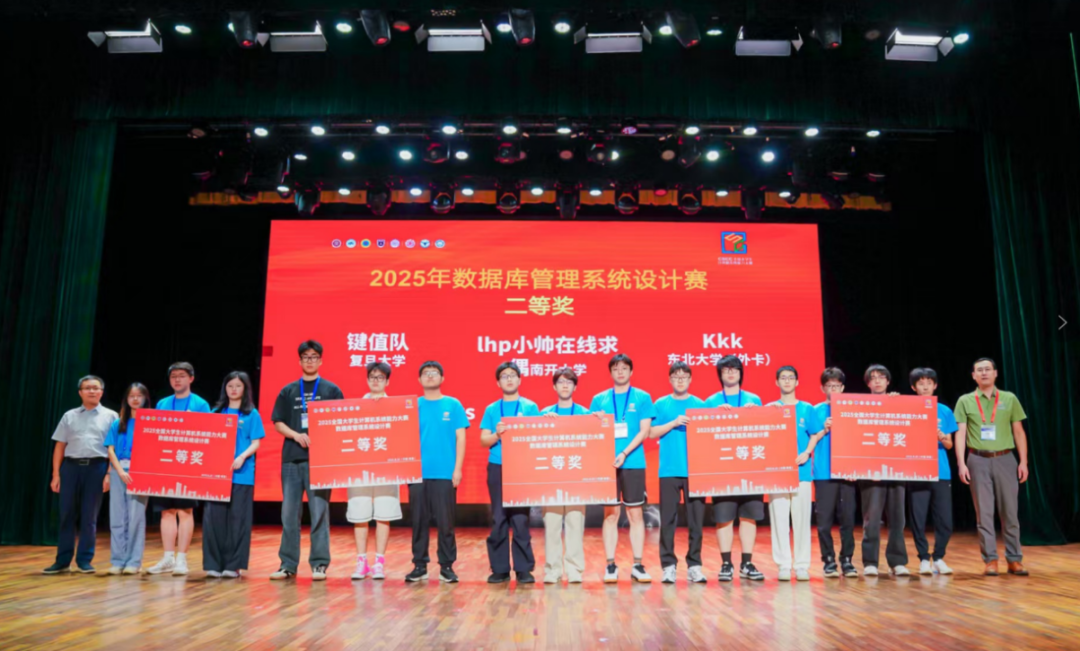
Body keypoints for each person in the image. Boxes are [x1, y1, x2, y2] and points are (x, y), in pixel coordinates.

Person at [270, 340, 344, 581]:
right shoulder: (288, 390)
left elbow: (340, 422)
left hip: (320, 462)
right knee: (289, 514)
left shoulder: (332, 390)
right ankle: (287, 565)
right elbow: (278, 422)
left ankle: (319, 564)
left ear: (320, 360)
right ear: (300, 361)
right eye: (306, 357)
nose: (310, 360)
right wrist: (296, 435)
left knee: (319, 513)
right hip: (291, 460)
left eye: (314, 357)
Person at [954, 358, 1029, 577]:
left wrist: (1023, 461)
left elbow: (1018, 431)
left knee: (1010, 512)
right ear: (973, 376)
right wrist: (961, 463)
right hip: (977, 459)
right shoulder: (965, 400)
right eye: (979, 370)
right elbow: (960, 433)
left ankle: (1014, 559)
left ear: (995, 373)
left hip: (1005, 458)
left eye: (988, 369)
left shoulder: (1009, 398)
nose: (984, 373)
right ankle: (990, 560)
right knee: (984, 513)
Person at [589, 354, 655, 584]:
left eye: (624, 368)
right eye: (616, 368)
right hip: (607, 464)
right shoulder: (599, 399)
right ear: (610, 372)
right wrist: (595, 420)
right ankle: (610, 565)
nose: (620, 372)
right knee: (611, 515)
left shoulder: (642, 397)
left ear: (631, 371)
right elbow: (592, 432)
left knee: (636, 515)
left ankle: (637, 565)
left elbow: (644, 431)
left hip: (633, 462)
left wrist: (625, 453)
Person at [43, 376, 118, 575]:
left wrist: (109, 473)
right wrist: (56, 474)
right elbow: (60, 446)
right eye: (87, 388)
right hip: (71, 467)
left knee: (89, 516)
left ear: (102, 391)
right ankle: (62, 561)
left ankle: (84, 560)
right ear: (80, 392)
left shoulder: (111, 416)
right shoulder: (69, 416)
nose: (92, 391)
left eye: (95, 388)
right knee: (66, 514)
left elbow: (115, 448)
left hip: (97, 467)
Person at [405, 361, 469, 584]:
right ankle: (419, 565)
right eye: (426, 373)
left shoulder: (453, 404)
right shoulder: (412, 406)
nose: (430, 376)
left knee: (446, 523)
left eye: (434, 373)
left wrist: (457, 469)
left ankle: (446, 566)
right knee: (418, 522)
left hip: (445, 474)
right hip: (417, 473)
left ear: (442, 378)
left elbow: (461, 438)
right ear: (419, 379)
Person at [146, 362, 212, 576]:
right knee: (166, 512)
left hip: (188, 465)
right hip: (165, 463)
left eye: (181, 375)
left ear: (191, 378)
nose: (177, 379)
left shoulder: (200, 404)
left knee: (185, 511)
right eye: (173, 376)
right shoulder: (163, 403)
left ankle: (182, 559)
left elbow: (208, 434)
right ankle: (167, 558)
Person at [480, 361, 541, 584]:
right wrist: (496, 434)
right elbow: (483, 440)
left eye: (513, 375)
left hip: (521, 467)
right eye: (504, 376)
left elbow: (538, 435)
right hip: (498, 466)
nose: (509, 379)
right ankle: (500, 569)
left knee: (520, 519)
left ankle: (524, 569)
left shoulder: (530, 407)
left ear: (520, 380)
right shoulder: (491, 409)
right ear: (498, 382)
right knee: (498, 518)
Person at [705, 355, 765, 582]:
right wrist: (714, 416)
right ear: (720, 374)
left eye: (735, 369)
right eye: (726, 370)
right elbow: (703, 435)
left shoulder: (754, 399)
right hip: (722, 469)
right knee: (724, 517)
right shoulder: (710, 402)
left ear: (741, 373)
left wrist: (756, 414)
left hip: (750, 468)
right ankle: (726, 564)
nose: (731, 373)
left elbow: (765, 432)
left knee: (749, 517)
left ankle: (747, 563)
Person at [650, 361, 707, 585]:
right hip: (669, 471)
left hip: (696, 471)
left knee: (696, 522)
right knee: (668, 521)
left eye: (684, 376)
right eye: (676, 376)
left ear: (690, 379)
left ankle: (695, 565)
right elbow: (651, 432)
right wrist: (673, 423)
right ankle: (668, 566)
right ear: (670, 379)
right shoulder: (661, 404)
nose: (680, 380)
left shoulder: (700, 405)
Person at [203, 371, 264, 578]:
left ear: (245, 389)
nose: (234, 390)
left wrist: (242, 457)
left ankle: (233, 565)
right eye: (230, 386)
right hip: (217, 476)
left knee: (238, 520)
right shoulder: (216, 412)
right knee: (214, 520)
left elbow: (256, 443)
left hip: (242, 475)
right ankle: (214, 564)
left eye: (238, 386)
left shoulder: (251, 414)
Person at [767, 366, 821, 582]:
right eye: (783, 378)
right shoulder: (770, 408)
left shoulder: (807, 408)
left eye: (791, 378)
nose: (787, 381)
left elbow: (815, 434)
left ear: (797, 382)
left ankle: (801, 565)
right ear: (776, 382)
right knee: (779, 519)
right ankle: (783, 564)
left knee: (801, 520)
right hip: (777, 472)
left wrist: (807, 452)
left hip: (802, 471)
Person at [349, 362, 402, 581]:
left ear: (387, 381)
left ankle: (379, 562)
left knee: (383, 514)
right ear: (367, 380)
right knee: (359, 514)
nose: (376, 381)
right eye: (372, 377)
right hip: (360, 469)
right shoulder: (355, 407)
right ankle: (361, 562)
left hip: (387, 469)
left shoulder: (397, 408)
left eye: (380, 377)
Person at [538, 367, 591, 585]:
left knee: (575, 525)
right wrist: (544, 423)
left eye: (569, 381)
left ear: (575, 387)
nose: (565, 385)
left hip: (577, 477)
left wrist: (599, 421)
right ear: (554, 386)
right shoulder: (544, 413)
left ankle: (574, 570)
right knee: (551, 526)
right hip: (551, 478)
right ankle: (553, 570)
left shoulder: (585, 414)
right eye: (560, 381)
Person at [859, 364, 909, 577]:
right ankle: (870, 562)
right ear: (868, 383)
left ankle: (897, 562)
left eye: (881, 377)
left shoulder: (898, 403)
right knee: (872, 519)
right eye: (873, 378)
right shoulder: (860, 406)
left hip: (896, 468)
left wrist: (898, 402)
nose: (877, 381)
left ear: (888, 381)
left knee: (898, 518)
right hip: (871, 470)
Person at [907, 367, 958, 575]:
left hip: (941, 471)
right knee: (918, 518)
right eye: (921, 383)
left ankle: (938, 557)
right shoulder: (906, 408)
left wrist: (941, 437)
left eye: (929, 382)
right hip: (917, 470)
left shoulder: (944, 411)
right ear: (914, 387)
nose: (925, 386)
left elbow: (950, 445)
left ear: (935, 386)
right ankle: (923, 558)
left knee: (944, 519)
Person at [810, 367, 859, 579]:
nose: (833, 389)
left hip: (846, 472)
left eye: (837, 386)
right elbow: (810, 440)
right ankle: (828, 560)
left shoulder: (852, 409)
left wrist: (855, 466)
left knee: (847, 519)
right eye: (829, 386)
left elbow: (859, 440)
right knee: (824, 522)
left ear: (843, 387)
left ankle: (847, 560)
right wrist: (824, 429)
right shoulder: (815, 410)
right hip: (823, 472)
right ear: (823, 388)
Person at [104, 383, 152, 575]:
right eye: (131, 396)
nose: (135, 399)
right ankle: (118, 561)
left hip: (140, 473)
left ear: (145, 398)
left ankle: (134, 561)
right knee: (117, 517)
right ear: (126, 399)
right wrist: (119, 471)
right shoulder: (118, 423)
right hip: (118, 472)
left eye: (139, 395)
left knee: (136, 519)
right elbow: (110, 450)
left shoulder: (151, 422)